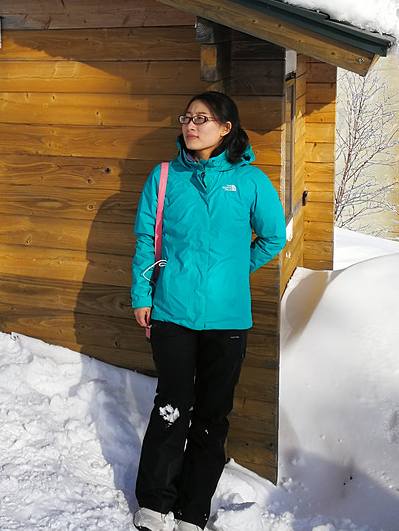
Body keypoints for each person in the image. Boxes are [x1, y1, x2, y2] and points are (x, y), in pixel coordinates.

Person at [130, 92, 286, 531]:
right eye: (187, 117)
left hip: (229, 319)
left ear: (226, 128)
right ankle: (154, 504)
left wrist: (235, 271)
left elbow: (273, 238)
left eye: (203, 118)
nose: (191, 125)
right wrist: (142, 294)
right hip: (172, 313)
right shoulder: (164, 177)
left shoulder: (251, 180)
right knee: (172, 407)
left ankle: (192, 510)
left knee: (213, 416)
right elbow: (147, 239)